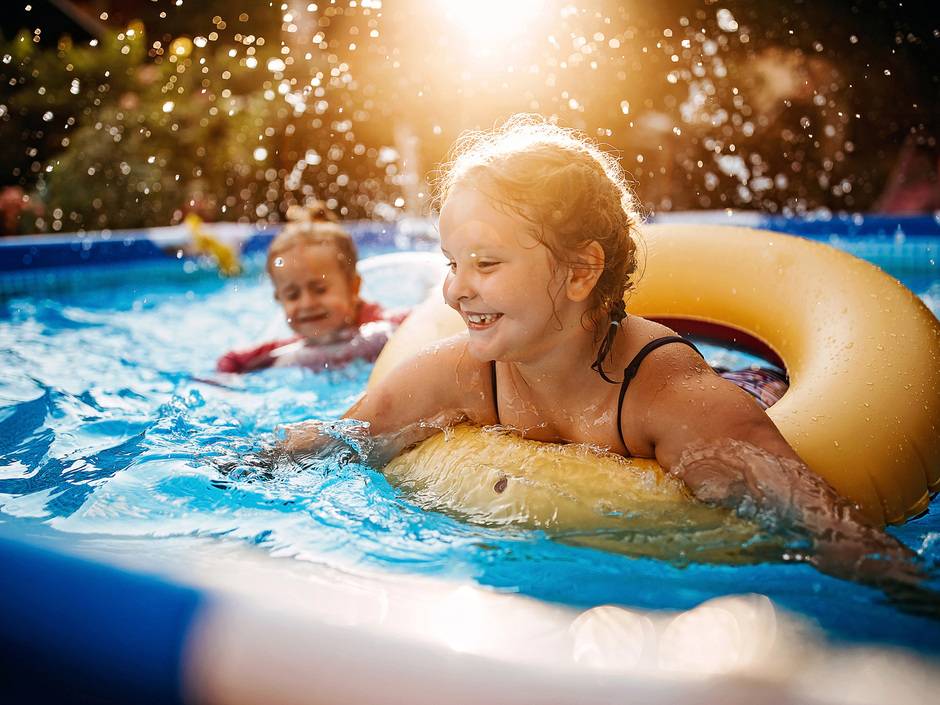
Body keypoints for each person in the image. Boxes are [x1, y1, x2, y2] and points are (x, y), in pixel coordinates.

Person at [283, 115, 919, 584]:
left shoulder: (669, 398)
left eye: (486, 262)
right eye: (452, 263)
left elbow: (828, 532)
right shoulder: (463, 374)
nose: (455, 290)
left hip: (748, 384)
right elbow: (329, 442)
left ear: (582, 271)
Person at [217, 203, 407, 373]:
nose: (307, 303)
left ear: (353, 288)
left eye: (320, 290)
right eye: (292, 295)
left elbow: (422, 320)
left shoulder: (384, 326)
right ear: (279, 299)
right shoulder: (296, 345)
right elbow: (231, 361)